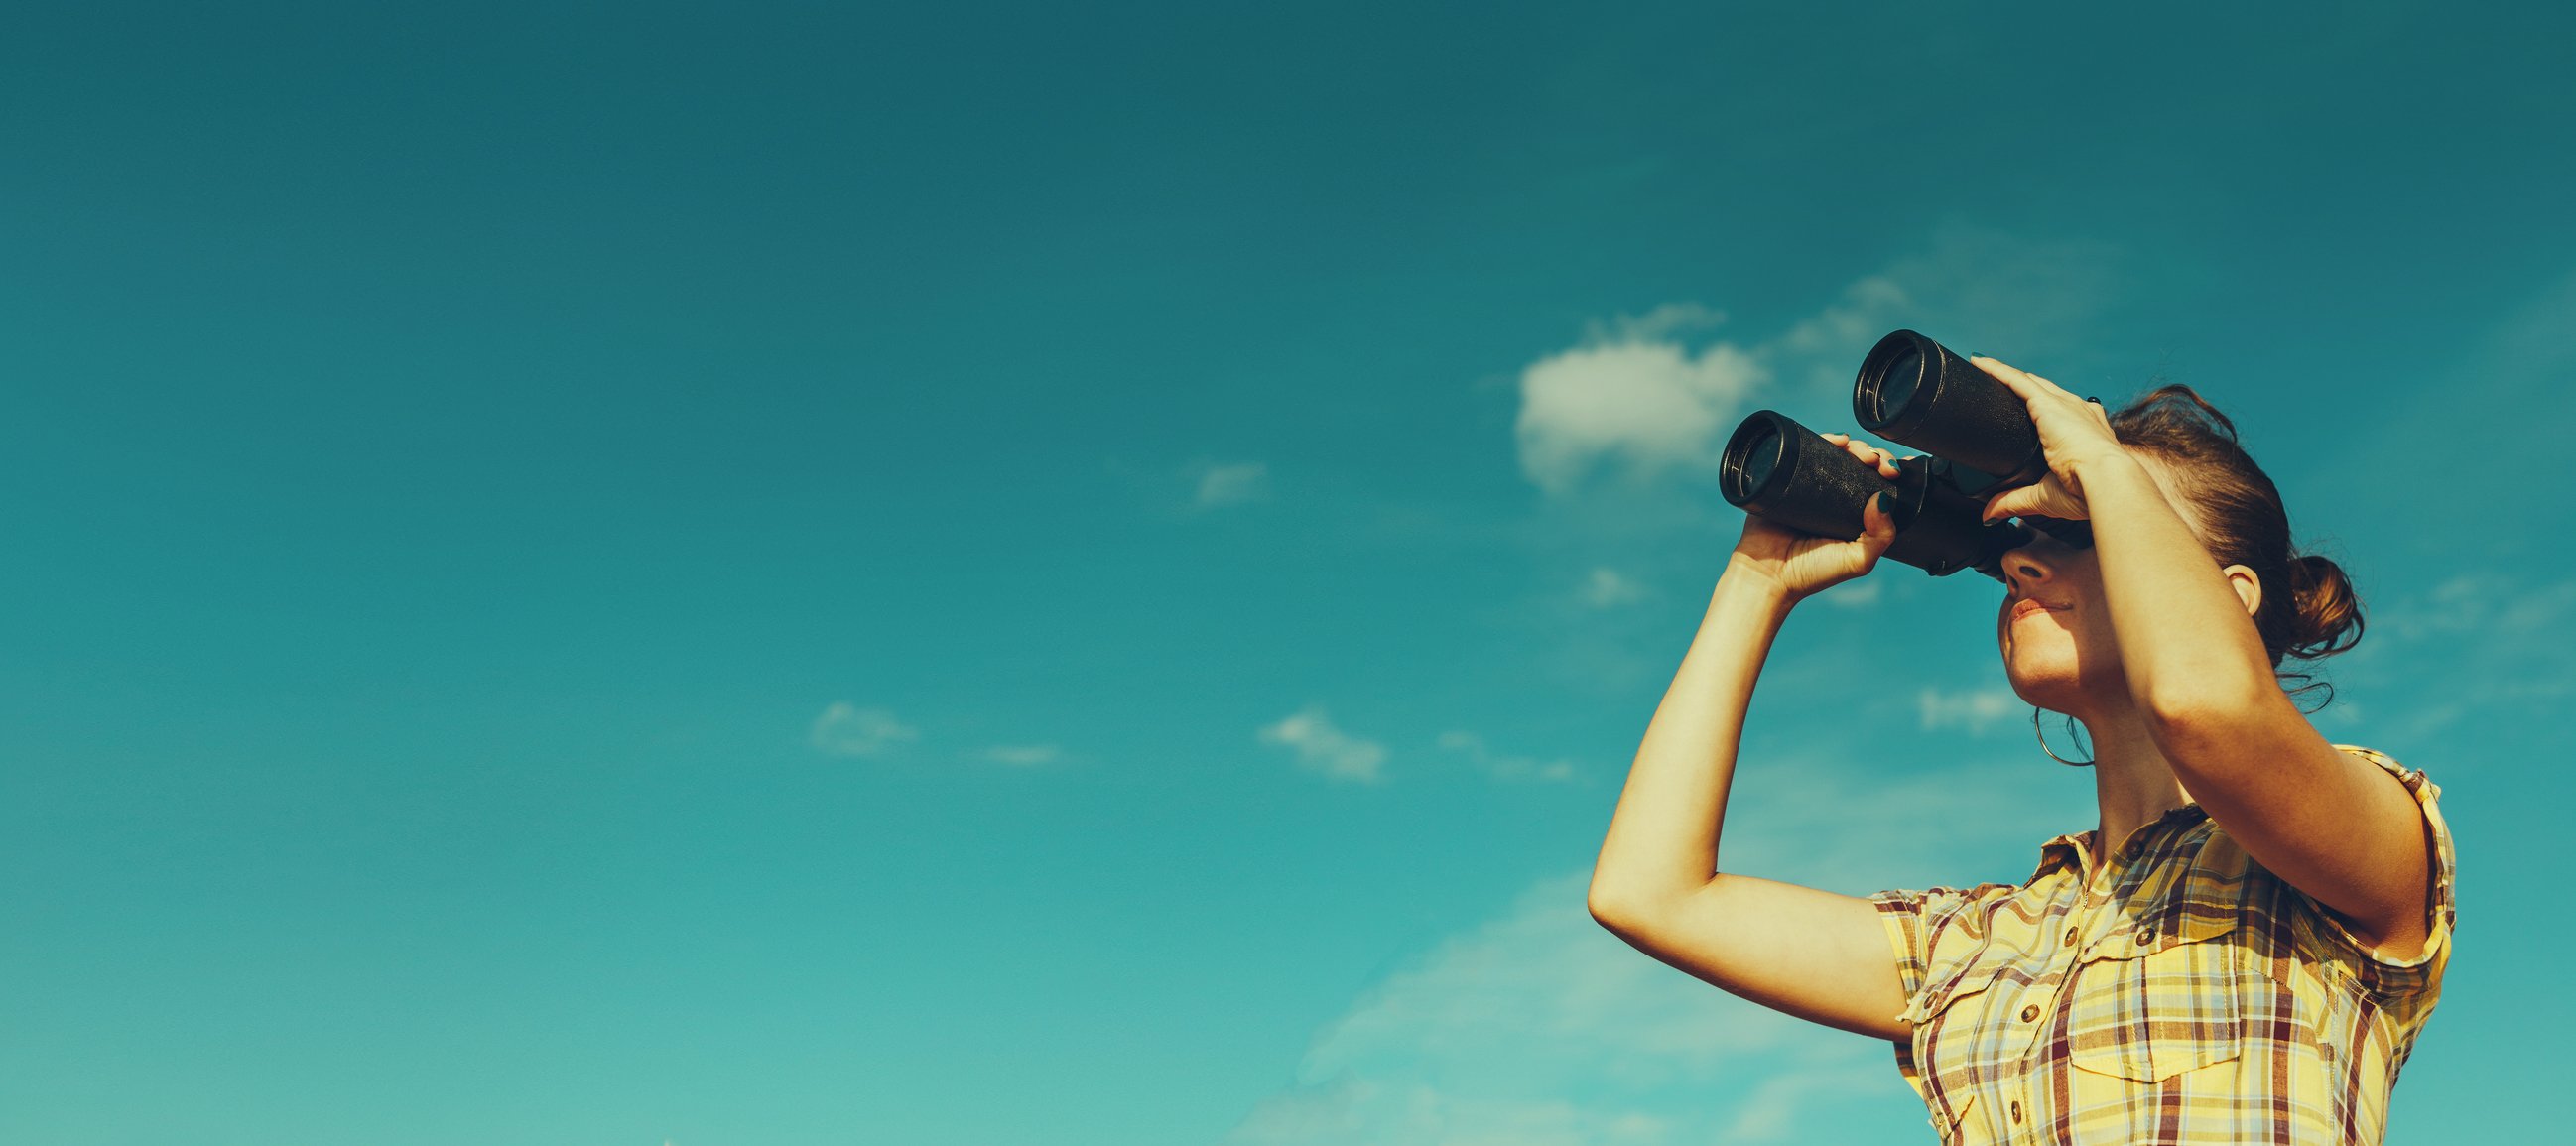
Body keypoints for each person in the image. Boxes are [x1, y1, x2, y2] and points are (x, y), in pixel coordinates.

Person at [1586, 355, 2454, 1145]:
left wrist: (2106, 466)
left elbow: (2206, 705)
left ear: (2232, 597)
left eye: (2077, 526)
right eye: (2011, 540)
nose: (2020, 566)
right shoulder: (1979, 944)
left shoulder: (2348, 855)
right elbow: (1648, 893)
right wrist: (1758, 579)